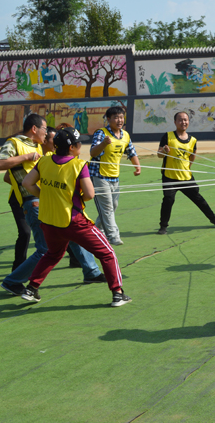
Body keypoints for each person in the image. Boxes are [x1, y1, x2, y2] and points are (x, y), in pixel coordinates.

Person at [19, 128, 131, 307]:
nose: (81, 146)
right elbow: (89, 194)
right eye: (79, 144)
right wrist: (75, 197)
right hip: (74, 221)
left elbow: (27, 183)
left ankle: (31, 288)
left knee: (52, 254)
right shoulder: (79, 165)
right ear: (72, 147)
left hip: (49, 221)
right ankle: (117, 293)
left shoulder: (44, 161)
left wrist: (45, 196)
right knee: (107, 253)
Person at [0, 115, 105, 296]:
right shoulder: (14, 143)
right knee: (45, 248)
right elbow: (1, 165)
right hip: (33, 202)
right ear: (34, 129)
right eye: (45, 129)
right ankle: (12, 281)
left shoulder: (39, 147)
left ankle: (91, 272)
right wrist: (27, 158)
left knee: (71, 233)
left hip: (45, 201)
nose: (46, 133)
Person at [157, 111, 215, 234]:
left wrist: (186, 168)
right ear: (175, 122)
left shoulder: (193, 140)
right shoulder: (167, 136)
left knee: (198, 199)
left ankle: (214, 219)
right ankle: (163, 226)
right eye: (180, 120)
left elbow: (192, 157)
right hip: (169, 177)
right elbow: (159, 154)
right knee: (168, 200)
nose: (183, 122)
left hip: (186, 177)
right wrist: (165, 151)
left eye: (185, 120)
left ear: (188, 122)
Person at [1, 125, 55, 270]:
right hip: (22, 198)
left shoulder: (48, 154)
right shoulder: (26, 149)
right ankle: (17, 269)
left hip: (37, 197)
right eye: (52, 138)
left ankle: (75, 260)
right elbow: (6, 176)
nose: (55, 142)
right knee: (26, 233)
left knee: (53, 229)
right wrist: (26, 186)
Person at [89, 106, 141, 246]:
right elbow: (93, 152)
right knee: (107, 207)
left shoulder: (125, 135)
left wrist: (137, 166)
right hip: (98, 175)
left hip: (114, 176)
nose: (119, 120)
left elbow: (131, 151)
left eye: (121, 117)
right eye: (116, 117)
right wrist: (104, 144)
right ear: (108, 119)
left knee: (113, 206)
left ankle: (95, 232)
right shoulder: (101, 133)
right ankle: (113, 236)